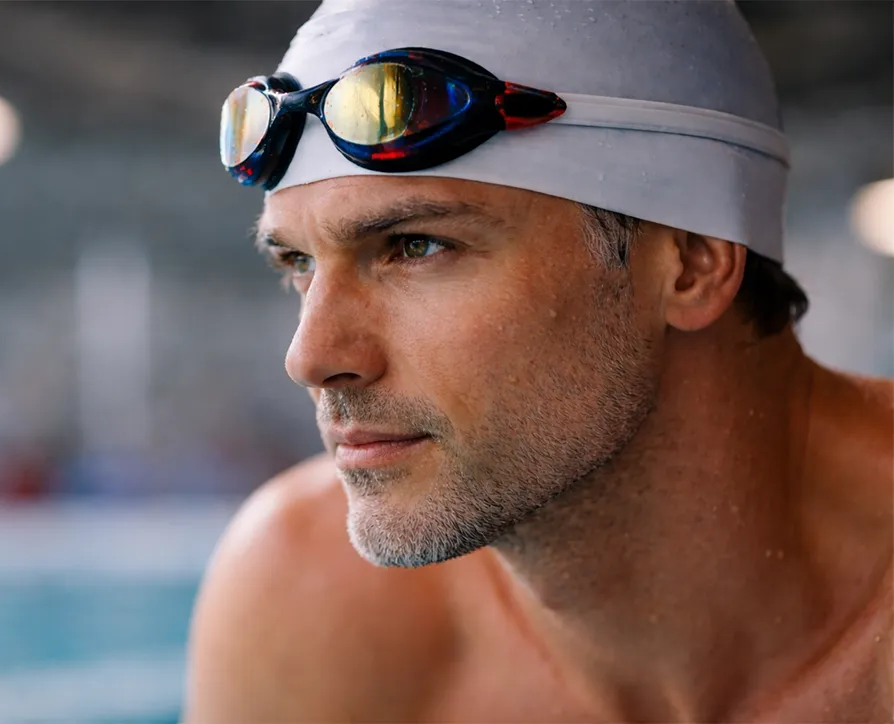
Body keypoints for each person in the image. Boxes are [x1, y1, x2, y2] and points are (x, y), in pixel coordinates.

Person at [186, 1, 893, 720]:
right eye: (299, 263)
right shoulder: (311, 603)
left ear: (691, 263)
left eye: (417, 246)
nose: (310, 356)